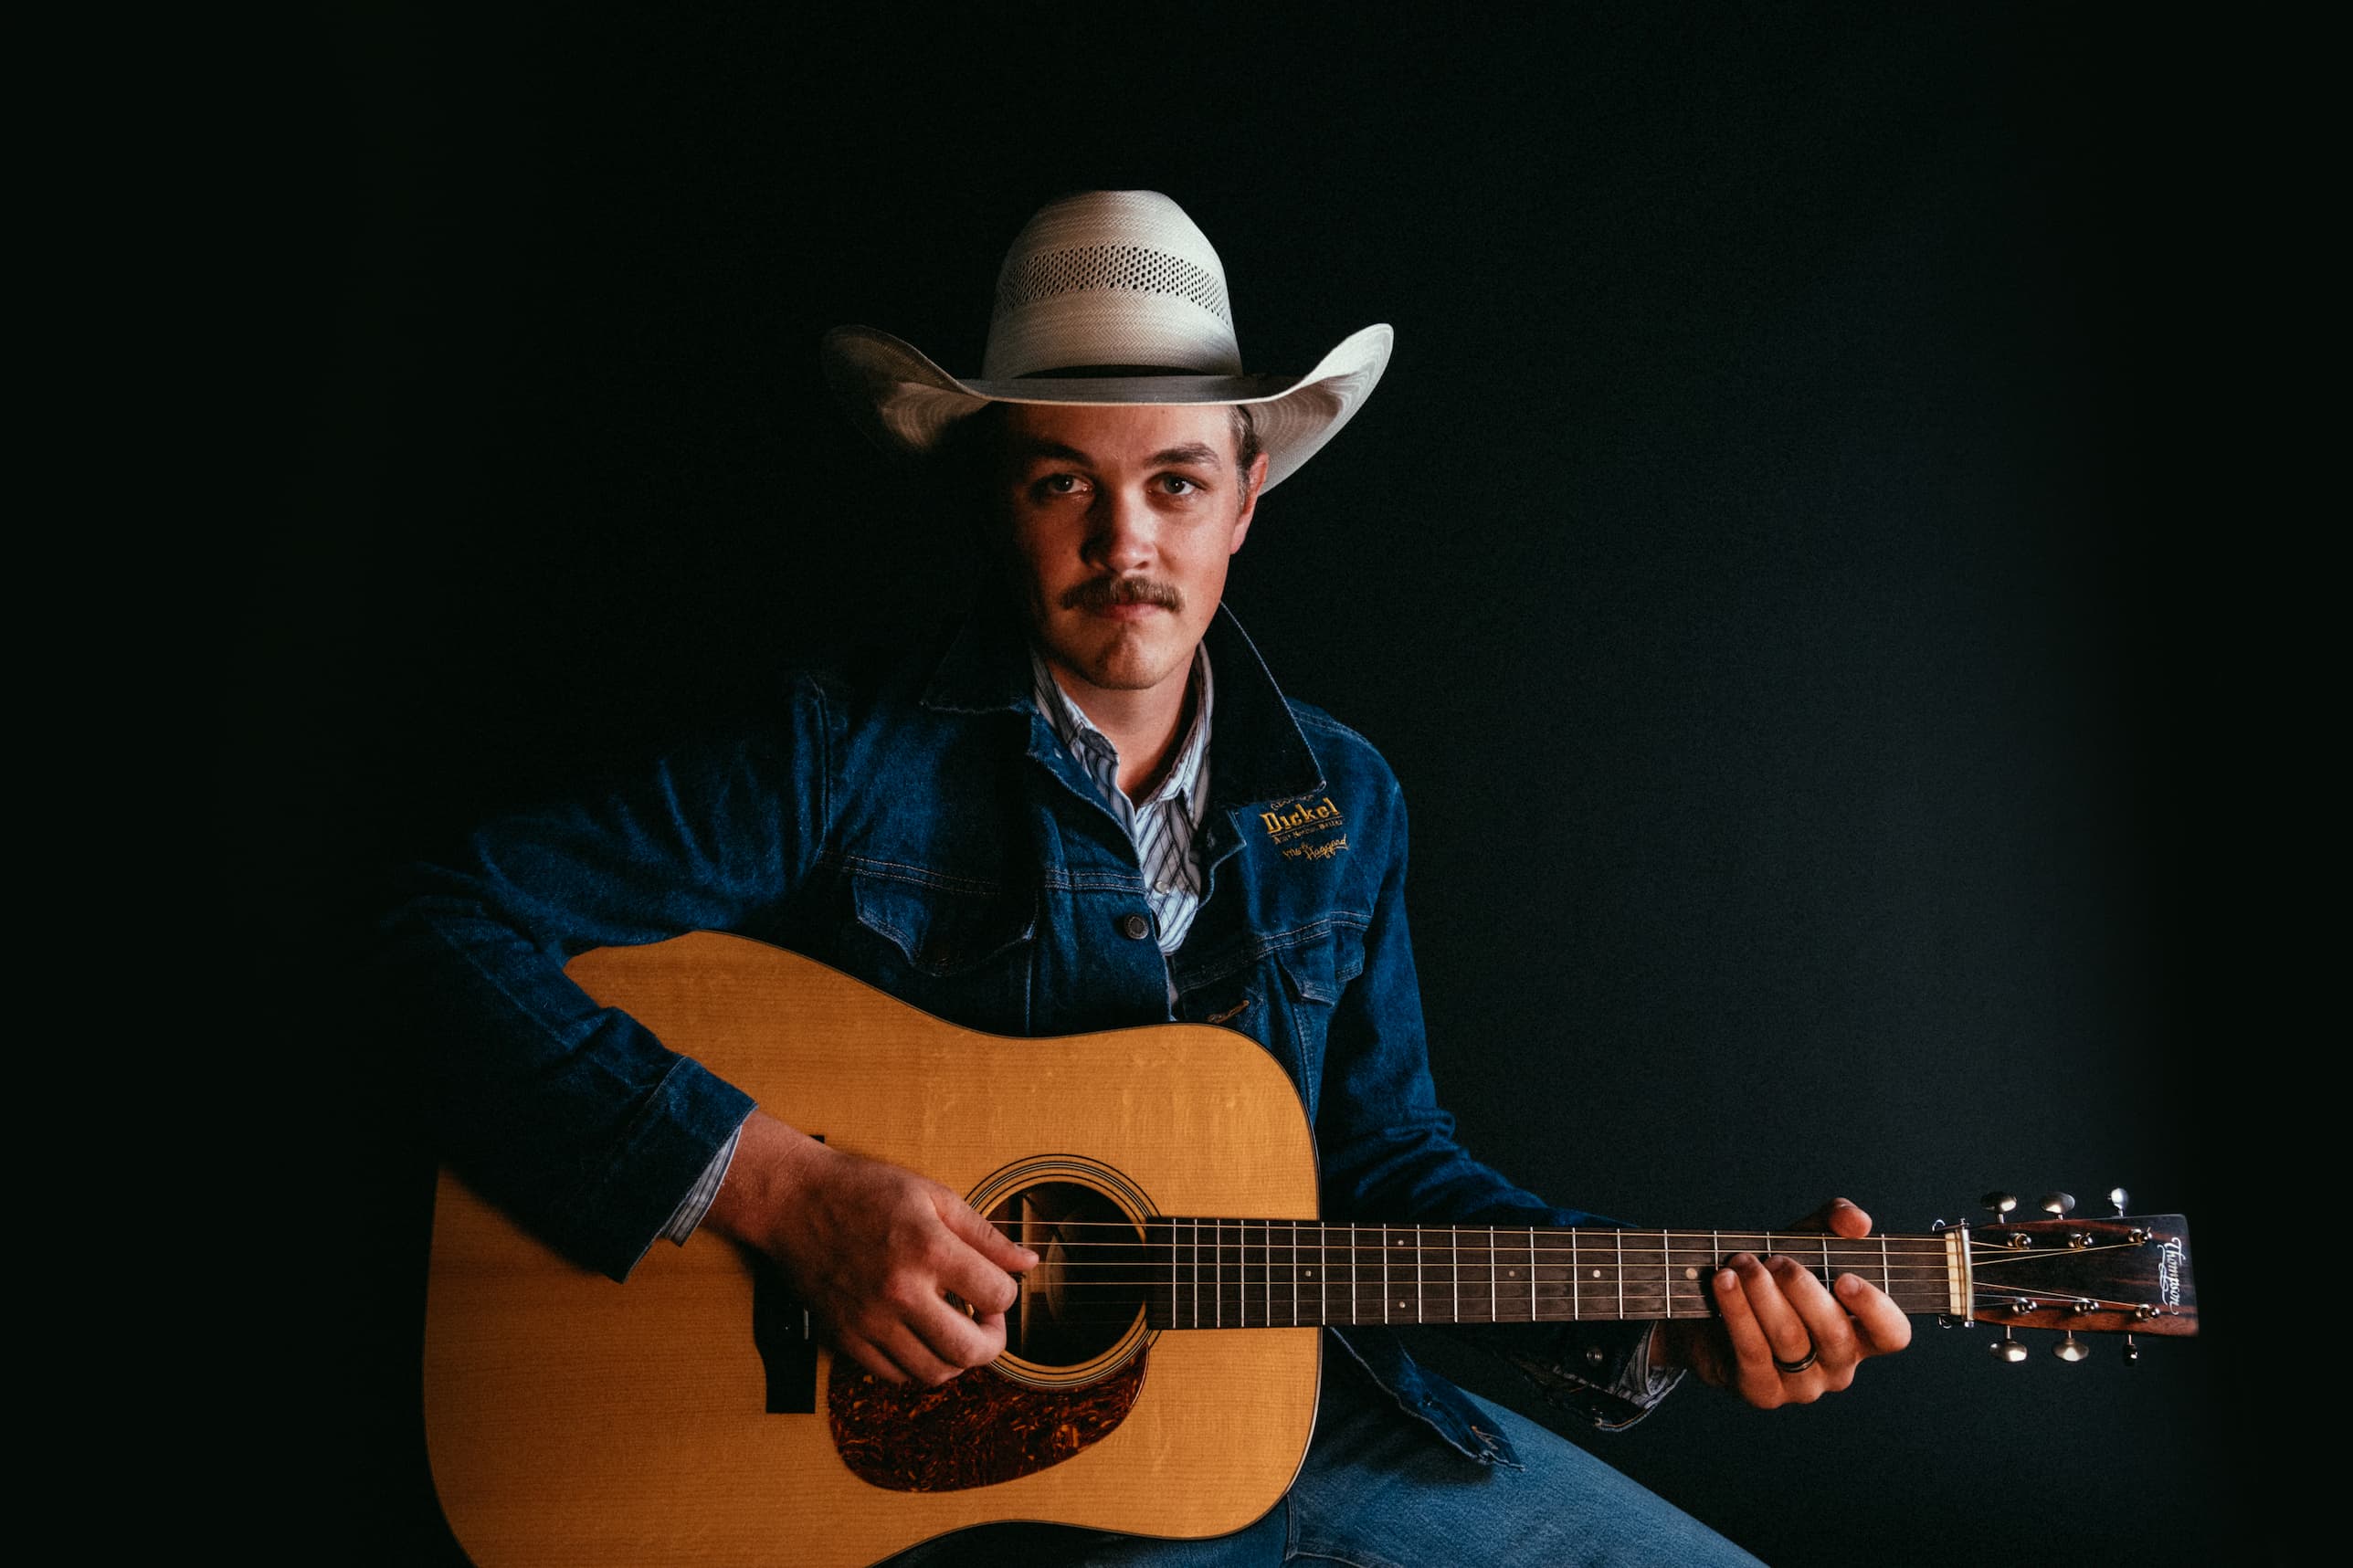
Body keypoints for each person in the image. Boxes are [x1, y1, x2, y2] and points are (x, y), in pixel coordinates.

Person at [384, 190, 1910, 1565]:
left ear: (1247, 500)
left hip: (1308, 1422)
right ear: (999, 499)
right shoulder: (836, 751)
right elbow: (432, 933)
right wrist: (785, 1192)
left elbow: (1383, 1175)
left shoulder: (1343, 798)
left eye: (1176, 485)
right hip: (968, 1475)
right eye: (1064, 484)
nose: (1127, 541)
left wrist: (1662, 1319)